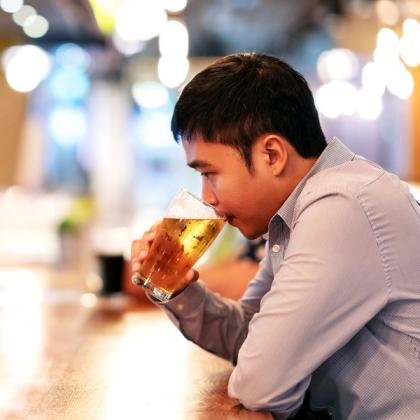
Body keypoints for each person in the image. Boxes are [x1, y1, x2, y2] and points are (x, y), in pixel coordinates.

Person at [131, 53, 420, 419]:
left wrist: (262, 370)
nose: (207, 199)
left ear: (272, 154)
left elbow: (260, 384)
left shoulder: (343, 205)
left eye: (209, 173)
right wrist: (179, 291)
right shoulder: (296, 212)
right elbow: (251, 335)